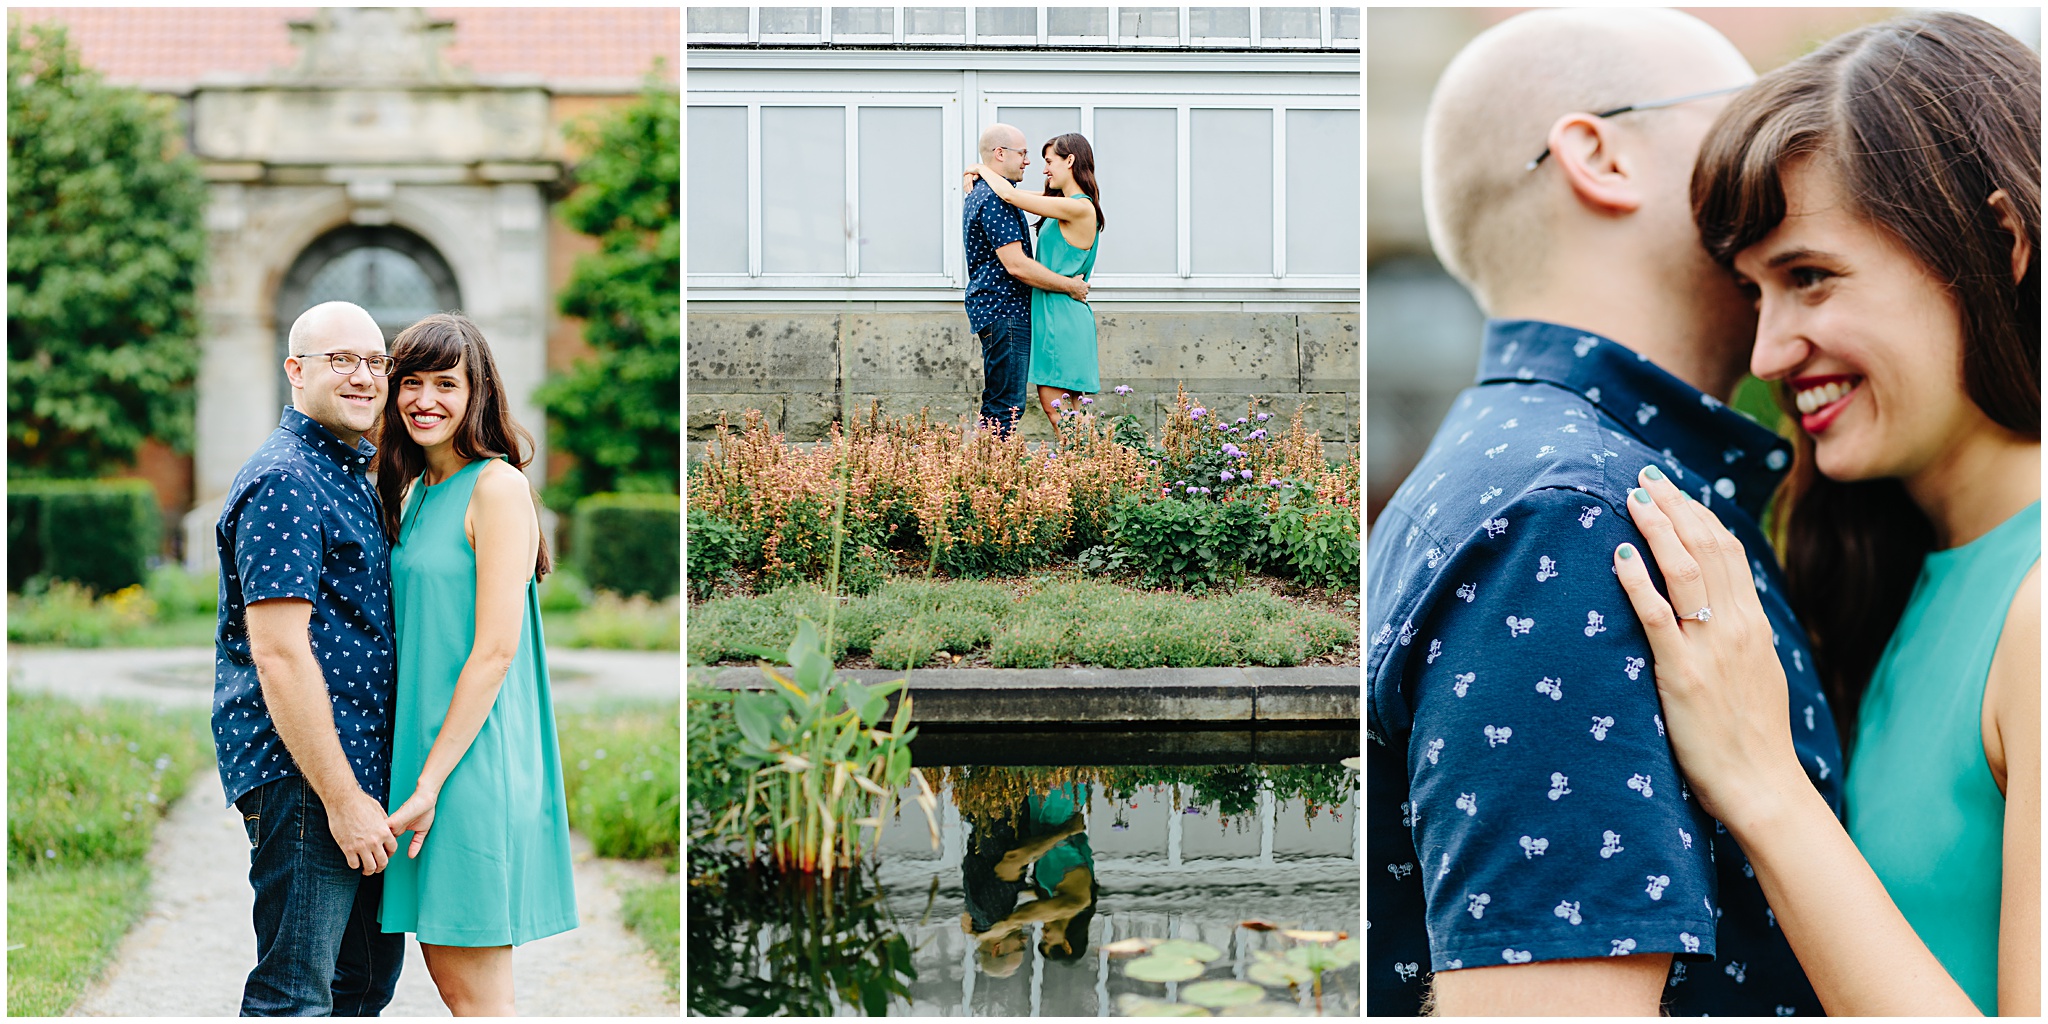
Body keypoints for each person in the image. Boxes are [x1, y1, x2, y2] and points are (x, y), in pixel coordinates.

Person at [1365, 9, 1844, 1015]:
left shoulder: (1548, 478)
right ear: (1597, 155)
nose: (1784, 160)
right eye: (1743, 120)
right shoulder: (1578, 520)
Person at [1608, 12, 2040, 1016]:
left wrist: (1760, 783)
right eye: (1752, 293)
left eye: (1808, 276)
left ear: (2000, 241)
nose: (1765, 354)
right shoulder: (1893, 570)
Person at [371, 313, 578, 1015]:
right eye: (411, 382)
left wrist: (429, 782)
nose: (424, 399)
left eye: (445, 384)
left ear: (477, 393)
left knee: (479, 1002)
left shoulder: (497, 487)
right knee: (458, 990)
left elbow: (495, 650)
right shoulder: (421, 489)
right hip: (427, 762)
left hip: (467, 767)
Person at [214, 299, 406, 1015]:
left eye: (374, 361)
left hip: (355, 774)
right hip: (309, 779)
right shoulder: (288, 478)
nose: (363, 377)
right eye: (341, 360)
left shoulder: (347, 469)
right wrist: (343, 798)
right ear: (295, 371)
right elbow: (280, 655)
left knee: (359, 987)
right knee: (294, 997)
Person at [965, 133, 1104, 441]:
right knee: (1068, 411)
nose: (1044, 169)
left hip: (1063, 314)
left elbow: (1011, 196)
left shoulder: (1081, 208)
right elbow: (1012, 194)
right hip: (1053, 311)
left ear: (1070, 161)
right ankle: (1094, 473)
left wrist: (980, 167)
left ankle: (1093, 473)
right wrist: (983, 170)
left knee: (1058, 410)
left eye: (1049, 161)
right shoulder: (1062, 205)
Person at [959, 782, 1099, 974]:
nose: (1042, 934)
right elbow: (1029, 911)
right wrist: (999, 928)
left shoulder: (1051, 895)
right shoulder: (1078, 903)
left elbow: (1010, 888)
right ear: (1066, 945)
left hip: (1036, 806)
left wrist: (977, 927)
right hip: (1060, 801)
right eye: (1047, 941)